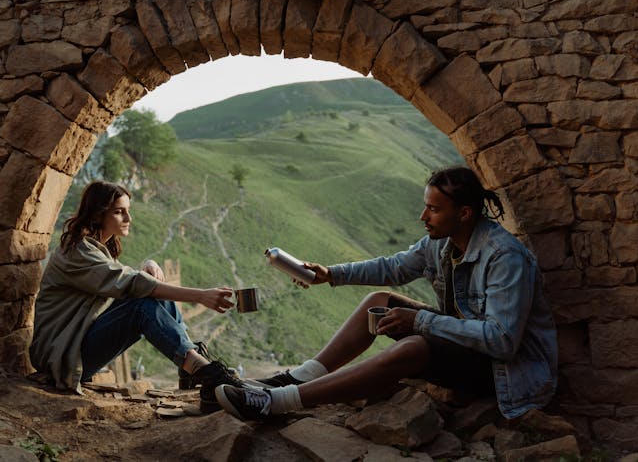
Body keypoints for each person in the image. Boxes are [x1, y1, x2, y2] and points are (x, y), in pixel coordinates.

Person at [216, 166, 558, 420]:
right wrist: (330, 275)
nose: (423, 216)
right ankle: (297, 376)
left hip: (503, 372)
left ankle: (278, 402)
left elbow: (501, 340)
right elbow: (392, 268)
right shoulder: (440, 244)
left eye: (434, 210)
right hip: (465, 342)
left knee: (414, 345)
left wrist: (421, 320)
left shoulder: (504, 257)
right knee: (377, 303)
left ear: (464, 213)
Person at [29, 181, 243, 413]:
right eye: (119, 212)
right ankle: (207, 373)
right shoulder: (77, 252)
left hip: (74, 342)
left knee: (151, 294)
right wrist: (200, 296)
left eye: (128, 211)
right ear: (98, 213)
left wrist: (147, 264)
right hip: (60, 356)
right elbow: (132, 283)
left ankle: (192, 370)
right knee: (141, 305)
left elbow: (127, 279)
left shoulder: (92, 247)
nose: (128, 218)